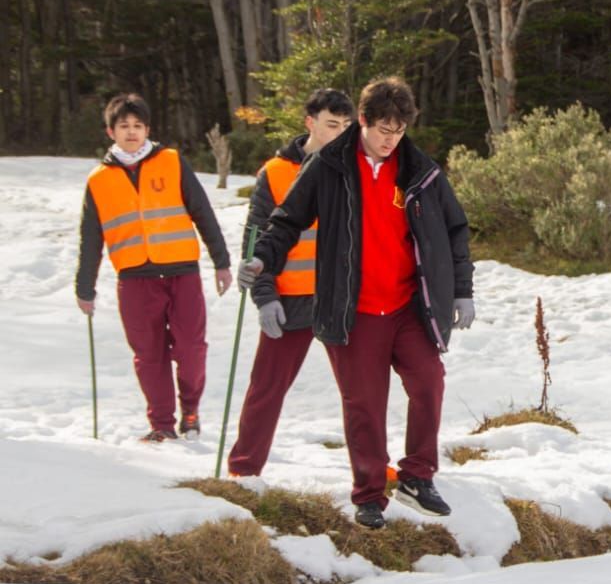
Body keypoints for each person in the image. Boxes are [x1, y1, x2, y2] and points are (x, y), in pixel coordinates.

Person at [238, 77, 475, 530]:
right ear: (363, 121)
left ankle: (417, 478)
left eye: (400, 131)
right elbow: (287, 220)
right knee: (364, 404)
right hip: (354, 309)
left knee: (429, 382)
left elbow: (454, 229)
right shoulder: (329, 165)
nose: (391, 140)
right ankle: (369, 495)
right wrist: (263, 261)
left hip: (409, 305)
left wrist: (462, 289)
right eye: (384, 130)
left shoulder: (419, 170)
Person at [75, 93, 233, 441]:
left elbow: (202, 212)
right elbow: (91, 239)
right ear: (110, 131)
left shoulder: (172, 162)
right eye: (124, 126)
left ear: (148, 129)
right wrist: (84, 288)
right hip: (134, 279)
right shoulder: (98, 180)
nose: (132, 132)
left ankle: (190, 410)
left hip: (182, 273)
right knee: (149, 356)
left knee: (191, 348)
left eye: (138, 126)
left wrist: (221, 262)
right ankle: (161, 424)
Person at [226, 89, 355, 477]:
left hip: (341, 301)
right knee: (265, 389)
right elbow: (256, 241)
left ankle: (370, 472)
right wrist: (264, 296)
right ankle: (243, 473)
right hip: (290, 301)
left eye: (348, 127)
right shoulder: (276, 173)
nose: (341, 133)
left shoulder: (357, 171)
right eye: (333, 125)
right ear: (310, 122)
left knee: (360, 393)